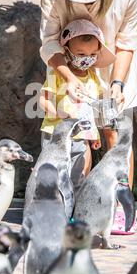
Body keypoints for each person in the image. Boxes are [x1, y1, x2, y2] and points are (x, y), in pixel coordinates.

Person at [39, 0, 137, 233]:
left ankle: (119, 206)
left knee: (115, 134)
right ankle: (79, 204)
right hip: (71, 62)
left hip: (115, 61)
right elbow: (49, 43)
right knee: (78, 139)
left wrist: (117, 84)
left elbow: (127, 41)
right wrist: (71, 78)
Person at [39, 18, 116, 177]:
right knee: (53, 173)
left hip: (82, 137)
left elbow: (92, 108)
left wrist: (94, 134)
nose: (87, 58)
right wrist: (60, 114)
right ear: (66, 50)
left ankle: (76, 199)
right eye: (81, 54)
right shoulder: (58, 75)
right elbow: (43, 100)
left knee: (81, 172)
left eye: (93, 54)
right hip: (56, 134)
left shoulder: (94, 79)